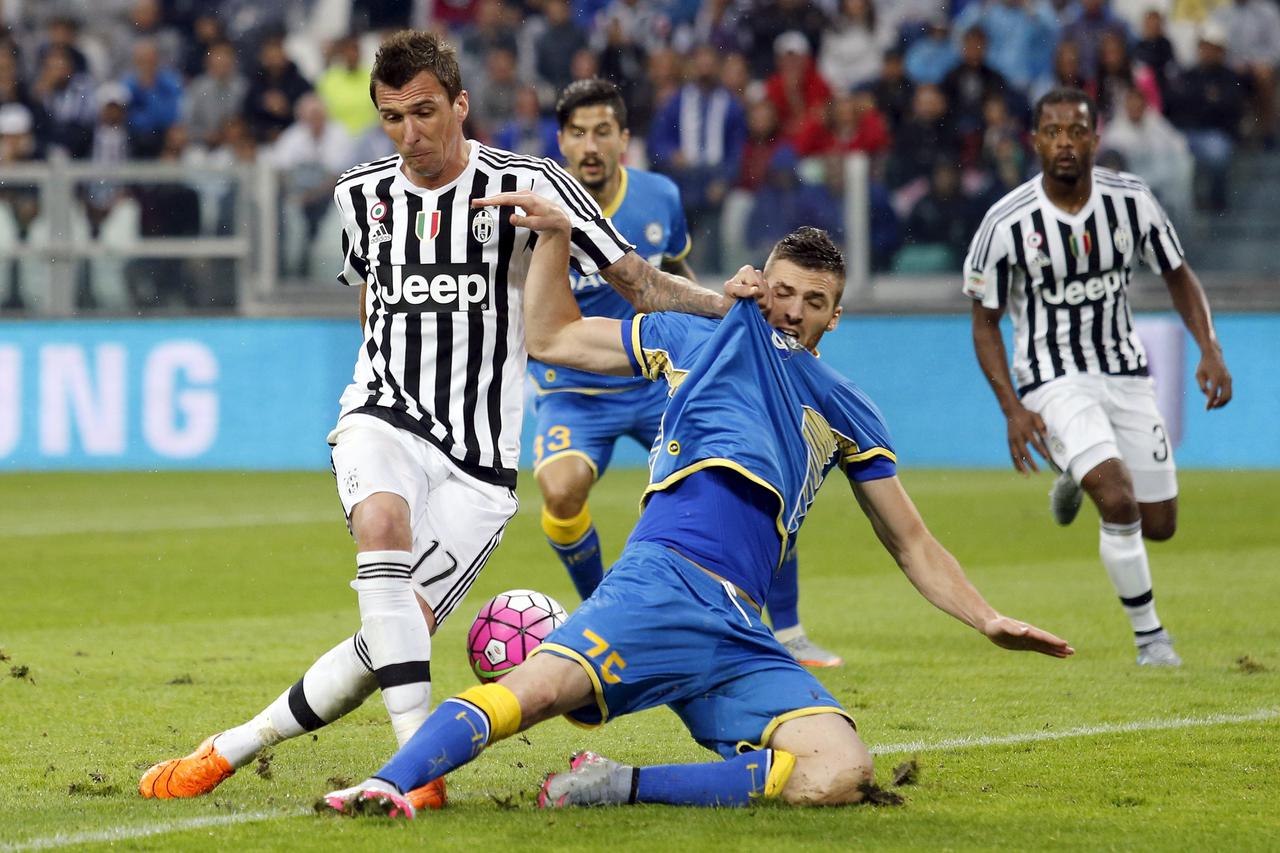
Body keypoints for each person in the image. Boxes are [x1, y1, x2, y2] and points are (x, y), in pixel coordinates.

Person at [138, 29, 725, 808]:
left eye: (424, 113)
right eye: (392, 118)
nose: (410, 135)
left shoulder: (533, 184)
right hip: (384, 416)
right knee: (380, 522)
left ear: (460, 104)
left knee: (392, 637)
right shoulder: (362, 194)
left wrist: (726, 304)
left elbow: (636, 280)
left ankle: (230, 746)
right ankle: (419, 769)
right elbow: (370, 294)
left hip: (481, 461)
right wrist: (375, 393)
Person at [322, 219, 1072, 818]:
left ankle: (615, 785)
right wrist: (554, 235)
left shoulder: (846, 405)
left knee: (839, 768)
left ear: (836, 316)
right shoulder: (697, 336)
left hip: (742, 628)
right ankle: (388, 782)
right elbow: (551, 336)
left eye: (814, 302)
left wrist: (988, 618)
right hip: (661, 582)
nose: (792, 310)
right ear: (759, 283)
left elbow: (910, 539)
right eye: (783, 291)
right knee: (537, 693)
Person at [538, 78, 840, 665]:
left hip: (659, 374)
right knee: (561, 488)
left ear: (624, 138)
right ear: (563, 141)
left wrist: (722, 324)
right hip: (575, 384)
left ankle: (789, 630)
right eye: (579, 133)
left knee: (763, 460)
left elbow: (674, 270)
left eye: (603, 131)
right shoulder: (538, 203)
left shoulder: (659, 197)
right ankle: (598, 612)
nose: (591, 144)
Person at [964, 87, 1233, 668]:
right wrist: (1013, 408)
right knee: (1116, 498)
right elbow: (984, 324)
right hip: (1051, 377)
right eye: (1053, 131)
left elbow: (1180, 276)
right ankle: (1152, 639)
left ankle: (1072, 470)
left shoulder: (1132, 200)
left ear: (1095, 138)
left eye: (1077, 131)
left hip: (1126, 371)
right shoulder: (1005, 223)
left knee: (1158, 523)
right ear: (1035, 140)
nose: (1065, 142)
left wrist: (1209, 348)